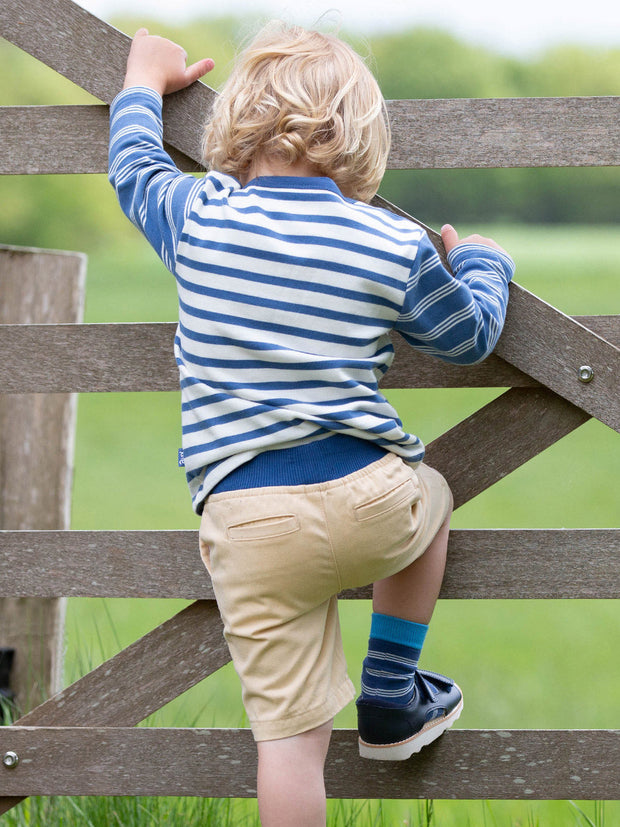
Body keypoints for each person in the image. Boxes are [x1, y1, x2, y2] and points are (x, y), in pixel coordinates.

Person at [109, 23, 514, 826]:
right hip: (370, 502)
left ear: (238, 123)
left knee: (291, 746)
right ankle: (391, 689)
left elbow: (133, 168)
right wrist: (482, 264)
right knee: (432, 495)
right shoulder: (390, 241)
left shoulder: (199, 214)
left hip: (247, 523)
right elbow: (469, 336)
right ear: (361, 137)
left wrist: (142, 81)